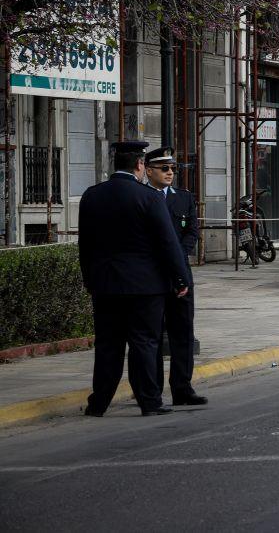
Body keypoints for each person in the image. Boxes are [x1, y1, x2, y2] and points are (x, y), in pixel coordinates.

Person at [79, 141, 190, 417]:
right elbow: (167, 243)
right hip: (145, 286)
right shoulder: (149, 198)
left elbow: (86, 245)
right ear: (140, 165)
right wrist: (180, 277)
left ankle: (99, 403)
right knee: (144, 343)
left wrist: (89, 280)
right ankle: (149, 402)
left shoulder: (92, 196)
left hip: (106, 285)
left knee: (107, 345)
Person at [144, 147, 206, 406]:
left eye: (173, 169)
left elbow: (192, 230)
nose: (170, 173)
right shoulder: (143, 197)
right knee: (154, 335)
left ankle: (182, 388)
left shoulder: (183, 197)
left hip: (181, 273)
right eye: (164, 168)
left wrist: (178, 256)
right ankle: (153, 391)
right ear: (148, 171)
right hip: (153, 275)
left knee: (183, 333)